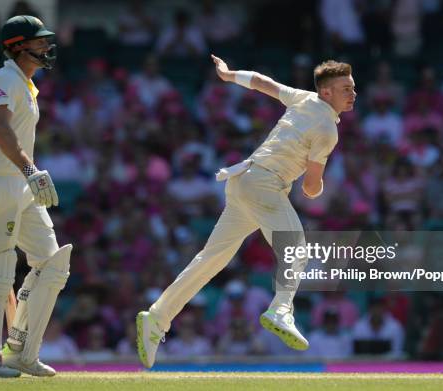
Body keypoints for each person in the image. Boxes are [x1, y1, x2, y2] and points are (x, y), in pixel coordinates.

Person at [136, 54, 356, 368]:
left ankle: (157, 317)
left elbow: (261, 82)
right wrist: (318, 188)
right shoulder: (327, 129)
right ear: (326, 93)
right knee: (296, 249)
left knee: (212, 258)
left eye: (353, 87)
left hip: (243, 180)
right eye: (345, 87)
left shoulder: (304, 99)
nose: (352, 93)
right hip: (265, 184)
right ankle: (281, 310)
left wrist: (228, 75)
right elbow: (310, 188)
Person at [0, 15, 72, 377]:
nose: (46, 47)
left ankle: (21, 352)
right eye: (39, 42)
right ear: (17, 46)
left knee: (51, 262)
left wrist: (28, 175)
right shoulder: (4, 78)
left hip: (21, 185)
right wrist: (30, 169)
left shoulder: (25, 84)